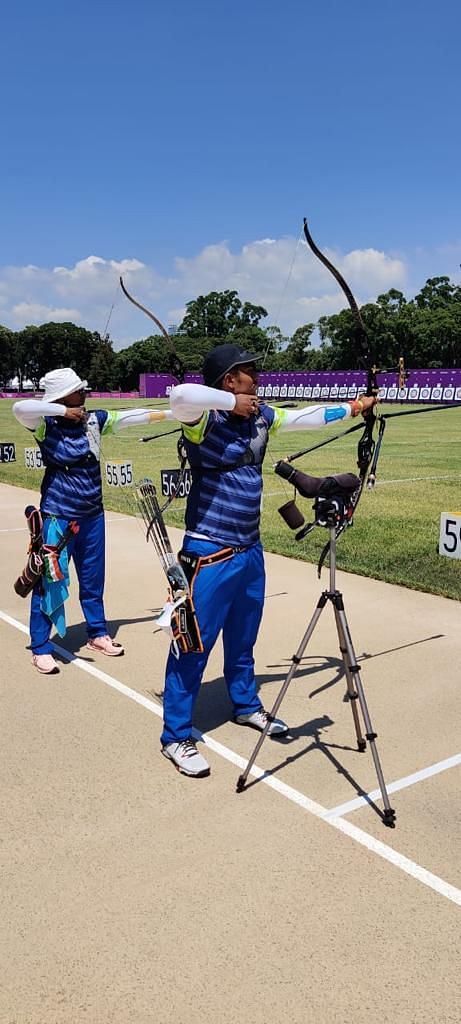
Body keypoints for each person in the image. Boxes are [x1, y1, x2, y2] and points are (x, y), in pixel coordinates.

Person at [160, 343, 377, 777]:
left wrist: (354, 407)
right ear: (228, 380)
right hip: (209, 551)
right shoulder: (202, 419)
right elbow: (180, 395)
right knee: (193, 643)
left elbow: (302, 418)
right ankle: (176, 735)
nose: (256, 380)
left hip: (249, 549)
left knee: (243, 639)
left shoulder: (262, 415)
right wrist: (229, 403)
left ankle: (244, 705)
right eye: (247, 373)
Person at [13, 367, 173, 674]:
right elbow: (21, 407)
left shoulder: (94, 420)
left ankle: (97, 633)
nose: (84, 395)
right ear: (61, 397)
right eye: (78, 391)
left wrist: (171, 412)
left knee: (92, 578)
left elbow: (132, 417)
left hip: (92, 515)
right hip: (59, 516)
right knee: (50, 581)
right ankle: (40, 646)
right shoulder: (44, 424)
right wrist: (62, 409)